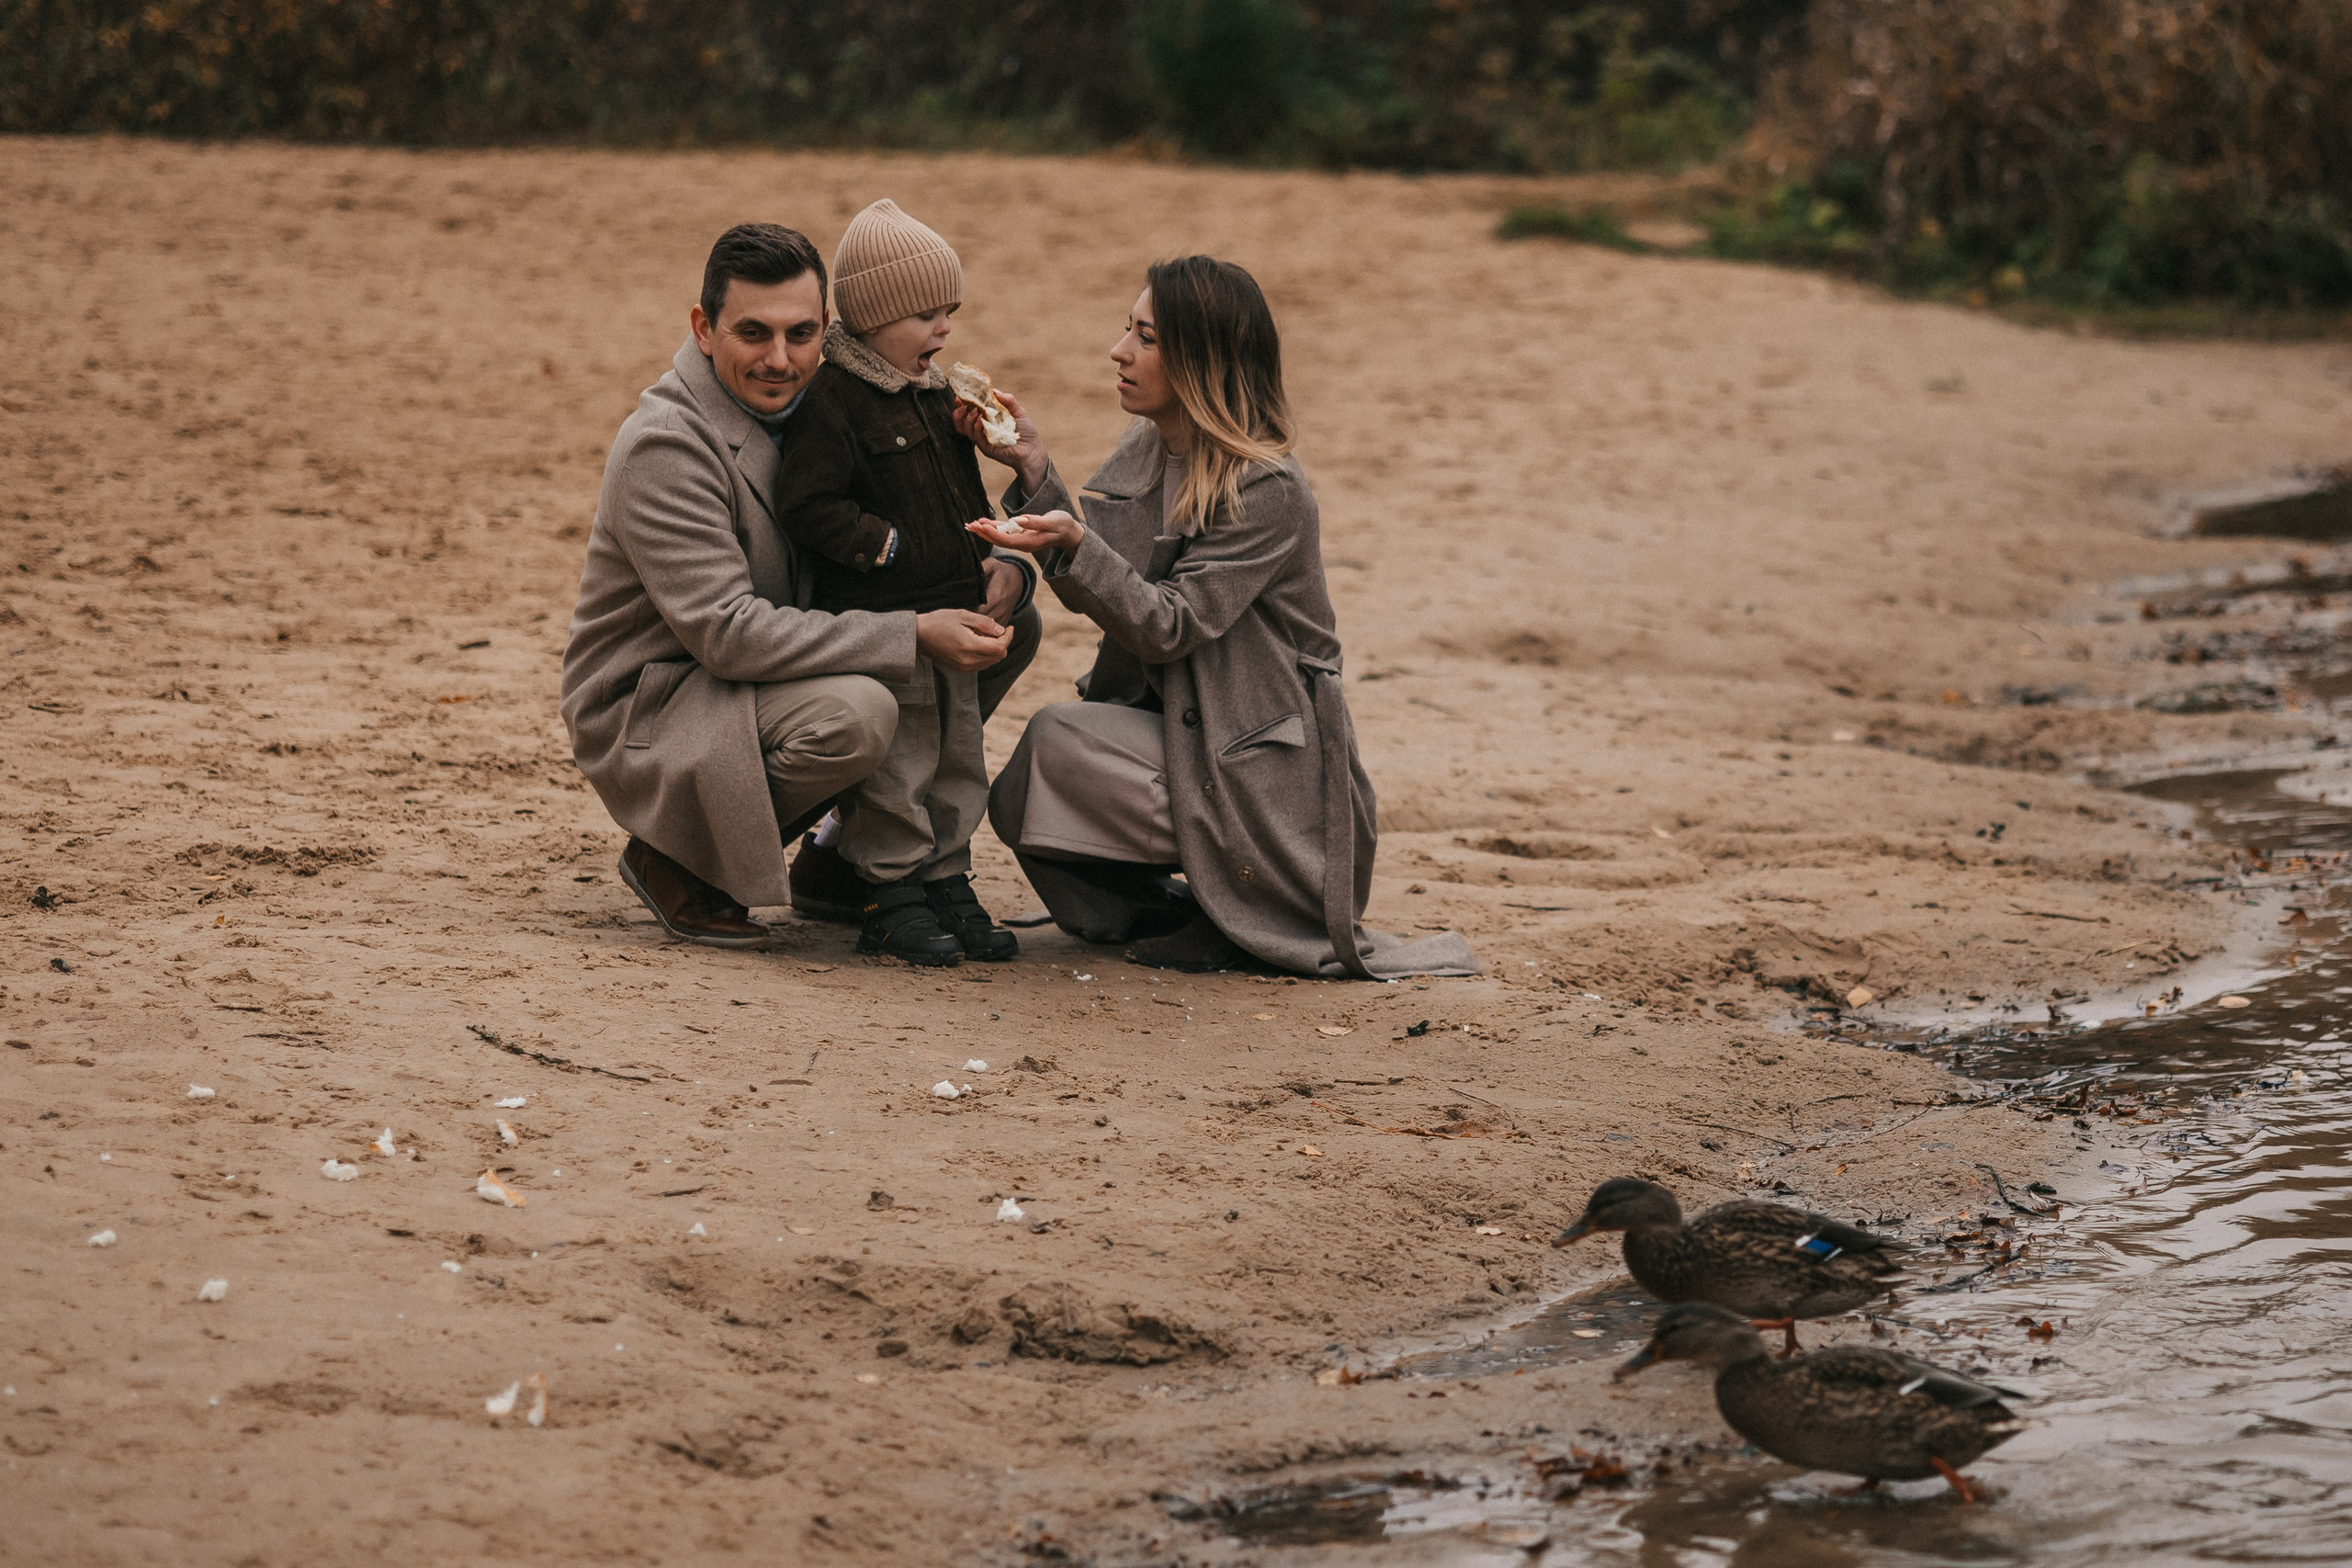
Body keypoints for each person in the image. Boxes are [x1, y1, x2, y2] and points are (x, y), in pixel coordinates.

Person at [968, 256, 1478, 979]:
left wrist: (1077, 541)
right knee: (1029, 785)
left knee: (1055, 738)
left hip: (1268, 768)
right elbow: (1114, 588)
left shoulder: (1268, 485)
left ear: (1200, 363)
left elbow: (1166, 624)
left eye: (1146, 337)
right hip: (1183, 728)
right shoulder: (1149, 447)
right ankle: (1167, 904)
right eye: (1127, 329)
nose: (1119, 351)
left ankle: (1241, 908)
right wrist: (1032, 470)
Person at [560, 222, 1037, 949]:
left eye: (802, 333)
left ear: (831, 329)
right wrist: (911, 630)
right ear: (704, 327)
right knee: (863, 711)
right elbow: (728, 634)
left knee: (1003, 630)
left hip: (773, 659)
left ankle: (843, 857)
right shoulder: (665, 446)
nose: (781, 360)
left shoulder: (842, 402)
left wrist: (1004, 568)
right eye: (754, 333)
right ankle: (682, 858)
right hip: (667, 696)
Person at [768, 200, 1019, 966]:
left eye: (950, 311)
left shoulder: (937, 393)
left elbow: (962, 496)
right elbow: (807, 504)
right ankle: (888, 888)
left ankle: (945, 875)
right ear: (873, 316)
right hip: (888, 620)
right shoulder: (836, 402)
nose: (942, 329)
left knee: (957, 754)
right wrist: (886, 546)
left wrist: (996, 554)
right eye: (924, 314)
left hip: (955, 609)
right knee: (900, 763)